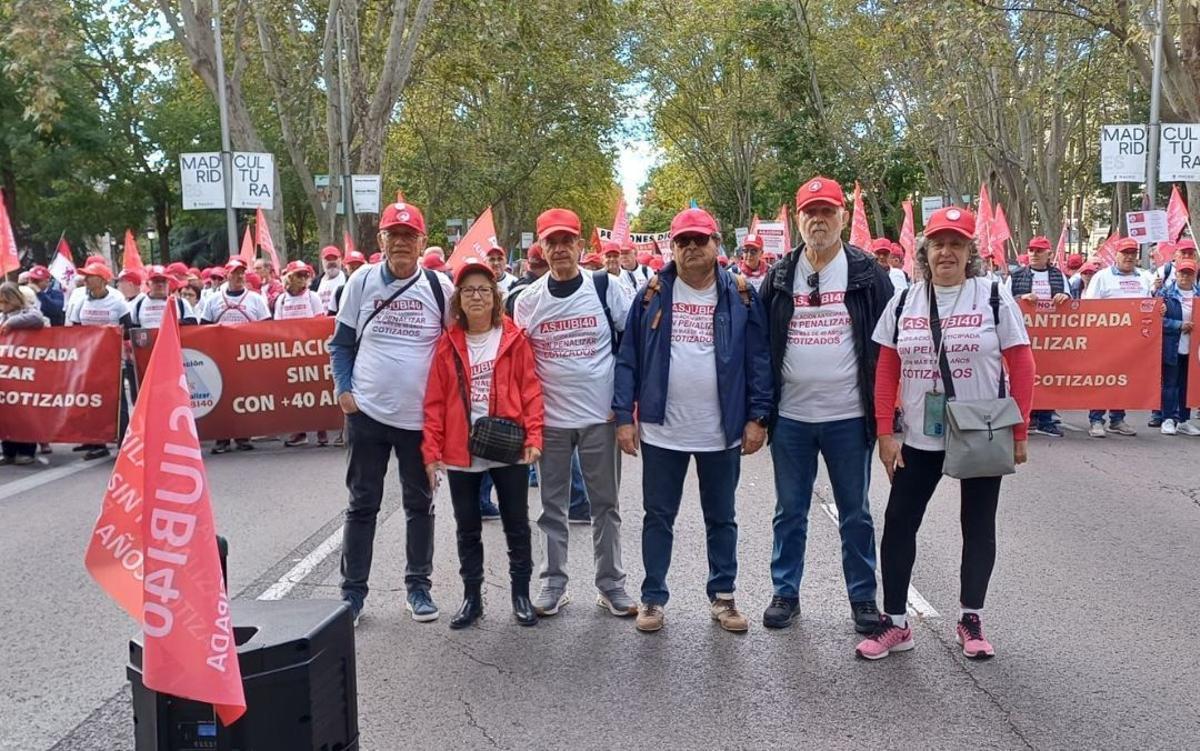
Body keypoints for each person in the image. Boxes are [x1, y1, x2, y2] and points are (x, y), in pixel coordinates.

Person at [857, 206, 1035, 661]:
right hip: (918, 435)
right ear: (926, 252)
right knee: (898, 524)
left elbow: (1020, 362)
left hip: (980, 430)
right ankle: (895, 622)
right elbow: (886, 370)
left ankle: (970, 617)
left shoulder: (992, 295)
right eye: (939, 244)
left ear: (970, 252)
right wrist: (885, 431)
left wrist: (1020, 430)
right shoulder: (904, 300)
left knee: (977, 525)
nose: (947, 252)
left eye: (956, 244)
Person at [613, 208, 773, 633]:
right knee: (657, 516)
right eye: (682, 241)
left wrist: (758, 416)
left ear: (716, 245)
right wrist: (622, 417)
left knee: (721, 516)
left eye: (699, 240)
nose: (690, 248)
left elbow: (759, 359)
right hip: (662, 429)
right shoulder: (651, 294)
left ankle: (723, 596)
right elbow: (628, 358)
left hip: (720, 431)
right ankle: (652, 598)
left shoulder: (740, 294)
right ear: (672, 247)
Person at [759, 176, 893, 633]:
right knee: (789, 511)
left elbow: (888, 349)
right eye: (810, 212)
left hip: (848, 419)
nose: (818, 220)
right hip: (792, 418)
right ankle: (785, 592)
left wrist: (887, 420)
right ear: (798, 220)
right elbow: (761, 348)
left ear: (843, 217)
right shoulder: (778, 276)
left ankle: (862, 598)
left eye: (827, 211)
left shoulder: (868, 275)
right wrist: (760, 415)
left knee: (855, 512)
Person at [329, 199, 454, 625]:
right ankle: (352, 595)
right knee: (362, 504)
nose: (401, 243)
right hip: (367, 415)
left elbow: (459, 347)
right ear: (381, 240)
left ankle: (418, 588)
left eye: (409, 236)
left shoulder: (441, 288)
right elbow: (341, 344)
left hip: (420, 421)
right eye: (393, 235)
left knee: (420, 504)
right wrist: (344, 391)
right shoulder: (361, 282)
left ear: (422, 243)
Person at [513, 207, 637, 618]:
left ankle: (611, 585)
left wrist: (625, 413)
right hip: (550, 422)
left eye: (568, 240)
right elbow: (517, 365)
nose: (561, 248)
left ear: (581, 246)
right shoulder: (527, 302)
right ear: (542, 248)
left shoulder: (606, 287)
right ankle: (553, 583)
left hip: (599, 418)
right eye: (553, 242)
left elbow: (632, 346)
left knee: (606, 506)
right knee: (552, 508)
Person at [422, 258, 544, 628]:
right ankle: (471, 598)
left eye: (484, 290)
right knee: (467, 527)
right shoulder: (447, 345)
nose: (477, 297)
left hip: (507, 445)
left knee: (516, 524)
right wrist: (431, 453)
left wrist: (534, 436)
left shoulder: (514, 338)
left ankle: (520, 596)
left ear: (496, 297)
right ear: (458, 298)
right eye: (469, 290)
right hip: (461, 450)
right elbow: (434, 402)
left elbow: (531, 391)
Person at [1083, 237, 1153, 437]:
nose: (1129, 257)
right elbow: (1089, 307)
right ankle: (1096, 419)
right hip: (1105, 340)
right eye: (1125, 253)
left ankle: (1117, 419)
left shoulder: (1144, 277)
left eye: (1133, 253)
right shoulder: (1102, 277)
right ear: (1117, 255)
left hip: (1132, 343)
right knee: (1101, 379)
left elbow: (1150, 305)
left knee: (1122, 380)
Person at [200, 258, 271, 453]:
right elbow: (203, 327)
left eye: (242, 272)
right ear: (227, 275)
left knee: (244, 397)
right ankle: (221, 438)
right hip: (220, 357)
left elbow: (268, 327)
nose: (239, 276)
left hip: (246, 357)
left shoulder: (255, 299)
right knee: (221, 395)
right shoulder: (213, 300)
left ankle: (243, 436)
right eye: (235, 273)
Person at [1007, 235, 1070, 438]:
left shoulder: (1059, 276)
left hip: (1051, 337)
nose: (1034, 254)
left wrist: (1065, 297)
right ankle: (1028, 417)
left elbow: (1071, 300)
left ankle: (1046, 418)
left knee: (1050, 374)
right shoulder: (1016, 276)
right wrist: (1021, 298)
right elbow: (1004, 301)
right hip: (1023, 335)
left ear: (1048, 254)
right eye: (1031, 250)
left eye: (1039, 251)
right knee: (1026, 376)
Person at [275, 260, 330, 448]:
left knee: (315, 390)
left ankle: (322, 429)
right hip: (290, 352)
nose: (303, 279)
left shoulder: (312, 297)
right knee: (295, 393)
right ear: (289, 278)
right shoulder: (281, 300)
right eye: (299, 275)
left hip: (309, 351)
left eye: (306, 275)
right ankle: (300, 431)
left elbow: (320, 323)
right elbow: (276, 328)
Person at [0, 282, 49, 466]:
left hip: (27, 372)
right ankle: (8, 451)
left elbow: (37, 319)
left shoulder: (27, 312)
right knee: (7, 413)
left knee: (25, 412)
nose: (3, 305)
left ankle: (26, 450)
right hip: (7, 373)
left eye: (6, 301)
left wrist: (11, 322)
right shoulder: (1, 315)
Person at [1158, 258, 1200, 435]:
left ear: (1194, 276)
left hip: (1193, 349)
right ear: (1176, 274)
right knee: (1170, 384)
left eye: (1189, 273)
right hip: (1172, 346)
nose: (1185, 276)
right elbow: (1155, 321)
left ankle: (1183, 420)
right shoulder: (1165, 295)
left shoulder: (1198, 295)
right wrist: (1178, 325)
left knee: (1187, 385)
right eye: (1182, 272)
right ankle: (1167, 418)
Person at [131, 265, 197, 327]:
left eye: (163, 281)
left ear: (168, 283)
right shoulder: (139, 304)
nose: (160, 285)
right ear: (148, 284)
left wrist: (176, 323)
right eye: (156, 281)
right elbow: (134, 328)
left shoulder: (181, 303)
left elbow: (193, 325)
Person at [316, 246, 347, 312]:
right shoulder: (315, 284)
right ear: (322, 261)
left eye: (334, 258)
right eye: (328, 259)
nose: (331, 262)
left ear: (340, 259)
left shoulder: (348, 281)